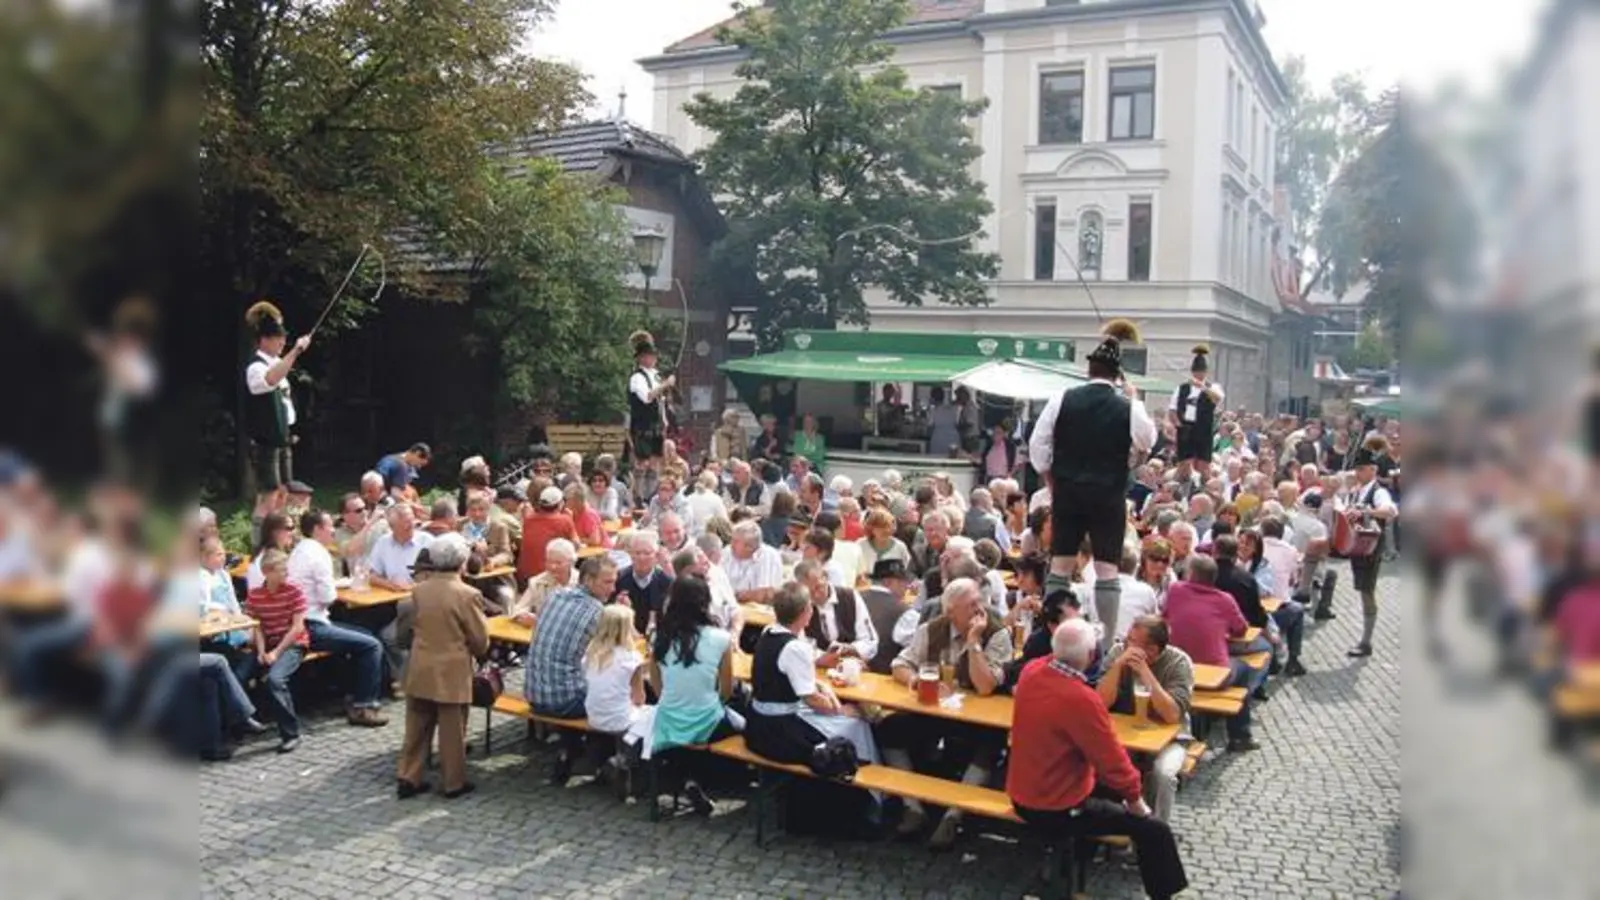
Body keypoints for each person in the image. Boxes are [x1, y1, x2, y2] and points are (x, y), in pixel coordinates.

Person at [1007, 619, 1190, 899]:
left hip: (1020, 794)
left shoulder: (1032, 672)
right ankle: (1163, 895)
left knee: (1104, 792)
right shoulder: (1081, 699)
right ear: (1092, 655)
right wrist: (1138, 805)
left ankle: (1073, 868)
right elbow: (1113, 763)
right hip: (1057, 806)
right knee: (1155, 830)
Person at [1028, 319, 1155, 653]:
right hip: (1108, 494)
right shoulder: (1127, 405)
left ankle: (1052, 635)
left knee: (1060, 565)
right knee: (1107, 570)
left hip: (1068, 491)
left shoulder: (1062, 398)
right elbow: (1148, 439)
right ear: (1117, 375)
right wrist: (1134, 399)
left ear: (1089, 370)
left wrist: (1050, 477)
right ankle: (1109, 641)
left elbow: (1038, 444)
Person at [880, 578, 1013, 849]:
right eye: (970, 605)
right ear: (951, 612)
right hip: (937, 710)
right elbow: (900, 664)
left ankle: (954, 815)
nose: (979, 609)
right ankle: (912, 806)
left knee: (991, 742)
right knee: (889, 729)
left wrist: (974, 642)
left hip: (978, 717)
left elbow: (985, 686)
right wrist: (915, 680)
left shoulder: (997, 634)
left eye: (979, 601)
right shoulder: (931, 629)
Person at [394, 534, 489, 800]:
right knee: (452, 729)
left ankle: (408, 776)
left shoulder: (419, 591)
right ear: (461, 561)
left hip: (421, 664)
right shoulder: (468, 594)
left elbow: (407, 630)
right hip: (451, 670)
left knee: (416, 726)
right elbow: (480, 639)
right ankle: (453, 782)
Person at [746, 581, 881, 765]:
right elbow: (813, 700)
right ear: (806, 611)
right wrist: (841, 710)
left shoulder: (768, 631)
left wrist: (821, 687)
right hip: (779, 732)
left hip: (756, 723)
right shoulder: (795, 648)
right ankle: (863, 775)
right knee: (857, 725)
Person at [650, 576, 740, 815]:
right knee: (741, 724)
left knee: (683, 734)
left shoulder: (659, 637)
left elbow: (656, 685)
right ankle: (708, 781)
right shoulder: (721, 638)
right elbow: (727, 689)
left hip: (669, 719)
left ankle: (688, 779)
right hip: (706, 720)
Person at [292, 509, 391, 725]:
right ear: (317, 529)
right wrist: (336, 588)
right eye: (329, 526)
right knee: (372, 644)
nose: (333, 531)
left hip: (298, 622)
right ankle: (364, 706)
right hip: (311, 626)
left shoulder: (299, 550)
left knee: (363, 633)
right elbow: (327, 598)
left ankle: (351, 694)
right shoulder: (319, 555)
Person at [1096, 616, 1193, 823]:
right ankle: (1119, 826)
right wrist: (1117, 666)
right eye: (1128, 639)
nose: (1126, 644)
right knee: (1110, 766)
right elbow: (1100, 703)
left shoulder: (1178, 662)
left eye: (1132, 641)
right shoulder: (1118, 653)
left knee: (1163, 774)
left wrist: (1146, 673)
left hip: (1171, 739)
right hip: (1128, 735)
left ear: (1152, 649)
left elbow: (1172, 715)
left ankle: (1158, 830)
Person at [527, 556, 613, 784]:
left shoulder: (555, 596)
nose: (613, 588)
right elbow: (615, 654)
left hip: (533, 694)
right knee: (606, 697)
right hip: (564, 702)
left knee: (573, 681)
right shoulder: (597, 611)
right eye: (607, 582)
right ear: (589, 580)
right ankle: (601, 759)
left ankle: (569, 749)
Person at [1164, 555, 1259, 752]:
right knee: (1244, 668)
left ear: (1191, 574)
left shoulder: (1175, 590)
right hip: (1213, 672)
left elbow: (1165, 614)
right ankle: (1240, 735)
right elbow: (1241, 629)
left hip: (1177, 667)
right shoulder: (1225, 599)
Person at [242, 301, 309, 522]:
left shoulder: (276, 362)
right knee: (268, 496)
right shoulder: (255, 367)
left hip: (282, 437)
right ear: (263, 340)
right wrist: (296, 351)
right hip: (265, 441)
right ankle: (259, 537)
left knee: (283, 492)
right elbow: (270, 379)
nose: (282, 342)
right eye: (277, 337)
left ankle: (278, 535)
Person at [243, 549, 310, 753]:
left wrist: (276, 653)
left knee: (275, 679)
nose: (286, 574)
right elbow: (257, 626)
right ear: (267, 572)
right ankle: (241, 723)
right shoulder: (255, 595)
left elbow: (297, 628)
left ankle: (291, 733)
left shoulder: (294, 591)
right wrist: (262, 651)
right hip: (267, 643)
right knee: (237, 674)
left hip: (292, 643)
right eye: (281, 570)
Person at [1346, 435, 1399, 658]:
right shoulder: (1357, 490)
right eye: (1357, 469)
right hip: (1357, 547)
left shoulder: (1378, 491)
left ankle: (1366, 642)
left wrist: (1366, 512)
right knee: (1363, 590)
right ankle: (1365, 640)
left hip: (1371, 548)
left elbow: (1390, 511)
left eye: (1361, 469)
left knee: (1367, 591)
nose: (1357, 473)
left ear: (1373, 470)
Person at [795, 559, 879, 664]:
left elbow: (870, 640)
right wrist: (820, 657)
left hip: (850, 665)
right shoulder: (800, 605)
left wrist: (852, 649)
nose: (816, 595)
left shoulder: (850, 597)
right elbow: (798, 645)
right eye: (809, 592)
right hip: (816, 667)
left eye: (819, 587)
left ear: (825, 577)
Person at [627, 330, 674, 507]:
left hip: (656, 424)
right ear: (640, 358)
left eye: (653, 356)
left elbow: (660, 401)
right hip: (642, 424)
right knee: (642, 462)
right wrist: (665, 385)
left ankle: (651, 496)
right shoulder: (637, 377)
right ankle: (638, 497)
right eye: (647, 356)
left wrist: (664, 421)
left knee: (655, 461)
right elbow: (647, 397)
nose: (652, 359)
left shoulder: (655, 375)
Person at [1167, 346, 1223, 472]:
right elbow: (1172, 410)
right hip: (1186, 428)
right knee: (1185, 463)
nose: (1199, 375)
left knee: (1203, 464)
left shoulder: (1213, 387)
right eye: (1196, 372)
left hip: (1204, 429)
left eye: (1201, 372)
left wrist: (1203, 387)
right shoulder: (1181, 388)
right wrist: (1179, 425)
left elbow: (1218, 398)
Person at [613, 530, 673, 635]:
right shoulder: (619, 579)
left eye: (647, 553)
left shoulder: (666, 583)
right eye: (637, 553)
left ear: (656, 556)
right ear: (630, 555)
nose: (641, 558)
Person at [509, 538, 578, 626]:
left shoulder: (582, 583)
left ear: (571, 563)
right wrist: (525, 616)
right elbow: (517, 609)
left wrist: (540, 621)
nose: (553, 567)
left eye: (558, 563)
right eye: (549, 561)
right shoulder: (537, 582)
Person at [517, 486, 579, 584]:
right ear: (560, 504)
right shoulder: (564, 520)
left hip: (525, 575)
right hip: (549, 575)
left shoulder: (528, 519)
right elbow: (576, 545)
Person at [725, 520, 783, 606]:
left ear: (749, 547)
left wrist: (739, 595)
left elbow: (766, 595)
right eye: (732, 540)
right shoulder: (726, 553)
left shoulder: (769, 556)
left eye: (736, 541)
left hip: (760, 610)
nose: (731, 545)